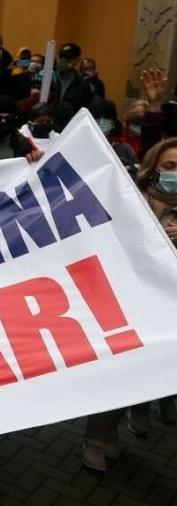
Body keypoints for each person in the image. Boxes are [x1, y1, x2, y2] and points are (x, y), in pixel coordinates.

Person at [83, 137, 177, 471]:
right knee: (118, 373)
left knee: (146, 374)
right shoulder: (129, 197)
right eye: (169, 166)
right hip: (127, 300)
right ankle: (97, 438)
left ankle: (121, 425)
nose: (175, 173)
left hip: (166, 306)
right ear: (154, 168)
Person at [55, 43, 94, 112]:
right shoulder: (50, 77)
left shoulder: (82, 85)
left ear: (76, 60)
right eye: (61, 56)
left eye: (67, 57)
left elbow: (84, 110)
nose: (63, 59)